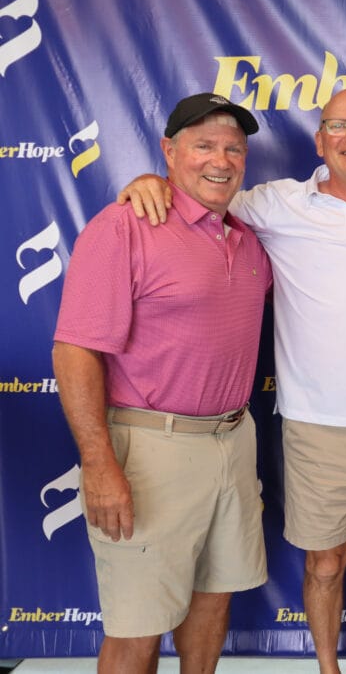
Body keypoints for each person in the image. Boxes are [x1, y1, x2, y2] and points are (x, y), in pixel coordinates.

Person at [119, 89, 346, 674]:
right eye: (339, 125)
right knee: (326, 564)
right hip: (316, 426)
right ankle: (328, 668)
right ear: (319, 140)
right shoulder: (274, 204)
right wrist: (147, 179)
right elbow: (198, 191)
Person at [53, 93, 270, 674]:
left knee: (213, 597)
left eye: (233, 148)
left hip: (232, 438)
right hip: (151, 447)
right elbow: (74, 352)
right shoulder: (125, 225)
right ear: (169, 152)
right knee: (137, 624)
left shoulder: (248, 239)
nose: (220, 160)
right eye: (203, 146)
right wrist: (99, 463)